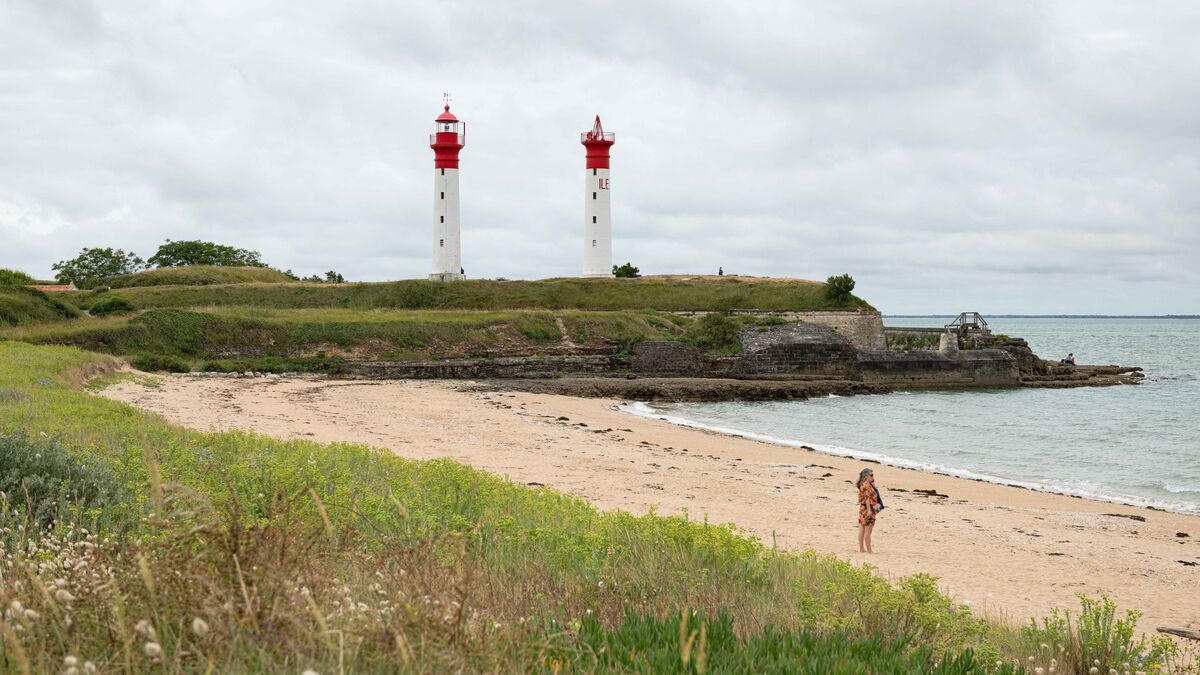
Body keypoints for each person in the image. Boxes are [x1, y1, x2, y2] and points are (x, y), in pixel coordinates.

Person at [857, 468, 883, 553]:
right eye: (871, 475)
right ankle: (869, 550)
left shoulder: (863, 484)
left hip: (862, 508)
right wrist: (869, 510)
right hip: (869, 509)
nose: (873, 477)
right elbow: (867, 499)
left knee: (862, 528)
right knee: (868, 530)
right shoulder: (867, 485)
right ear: (866, 476)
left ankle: (862, 548)